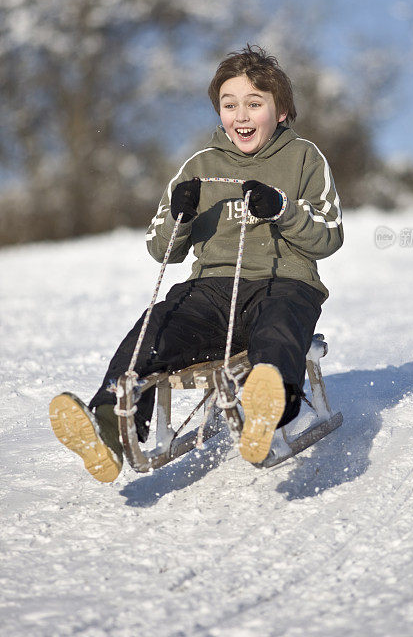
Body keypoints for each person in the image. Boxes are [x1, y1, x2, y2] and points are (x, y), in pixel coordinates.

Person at [49, 45, 343, 482]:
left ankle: (269, 407)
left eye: (254, 104)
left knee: (278, 329)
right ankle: (108, 423)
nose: (241, 115)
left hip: (284, 283)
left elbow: (330, 234)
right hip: (211, 289)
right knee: (158, 325)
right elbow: (159, 249)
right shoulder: (200, 165)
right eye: (230, 105)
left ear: (280, 111)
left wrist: (283, 209)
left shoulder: (304, 158)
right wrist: (179, 215)